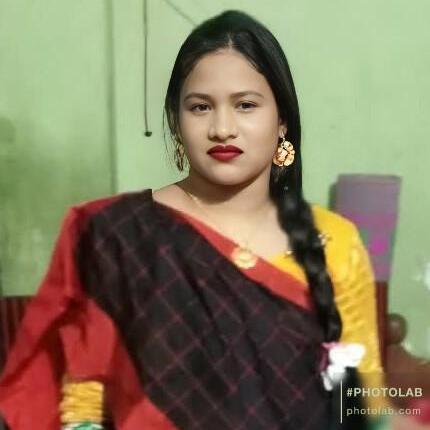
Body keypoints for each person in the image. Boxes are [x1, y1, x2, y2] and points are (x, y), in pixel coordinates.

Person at [0, 10, 383, 430]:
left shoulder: (336, 242)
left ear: (282, 123)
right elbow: (83, 400)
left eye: (246, 105)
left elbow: (366, 403)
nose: (222, 128)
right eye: (200, 107)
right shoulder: (117, 235)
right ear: (176, 122)